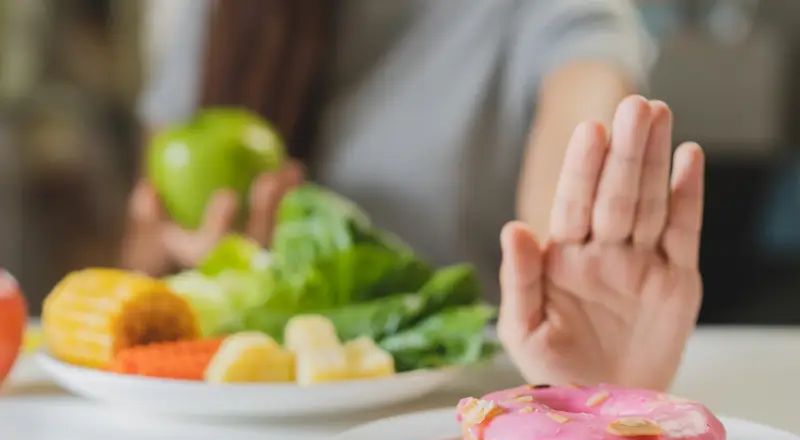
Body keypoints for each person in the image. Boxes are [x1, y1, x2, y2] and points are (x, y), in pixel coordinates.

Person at [124, 0, 703, 390]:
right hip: (231, 413)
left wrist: (582, 265)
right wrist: (198, 262)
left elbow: (580, 113)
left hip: (446, 424)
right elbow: (139, 254)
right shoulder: (222, 13)